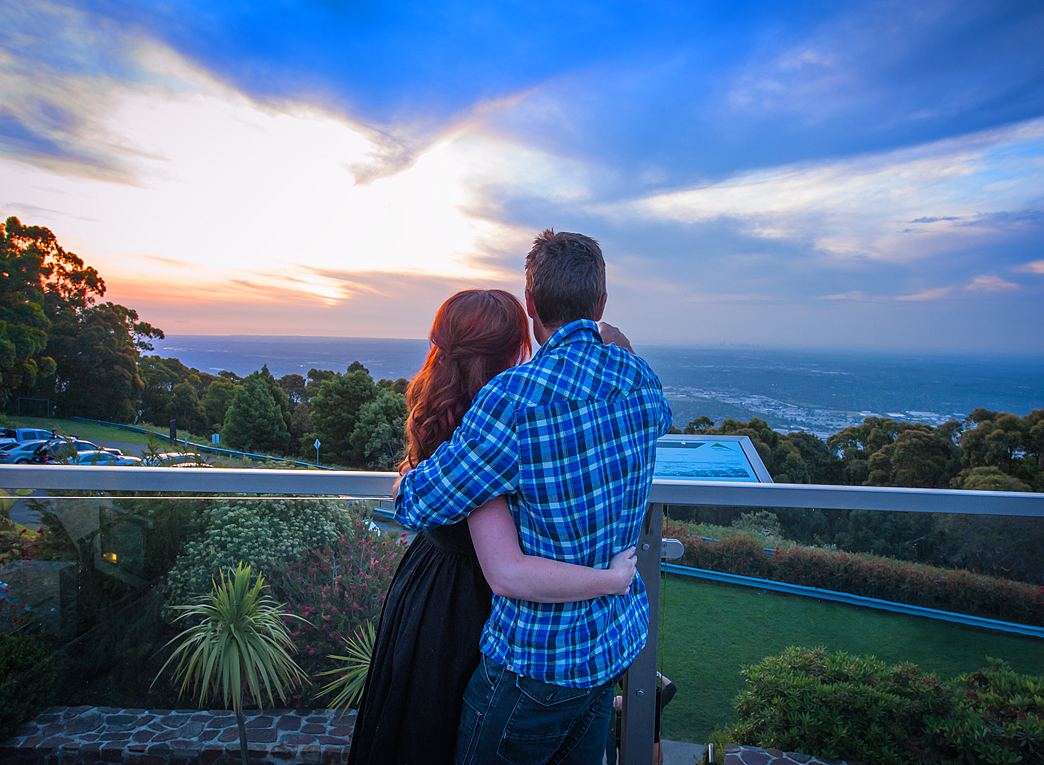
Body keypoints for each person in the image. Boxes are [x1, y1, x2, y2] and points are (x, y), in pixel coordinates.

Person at [395, 230, 673, 765]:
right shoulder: (638, 380)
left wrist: (404, 477)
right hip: (611, 647)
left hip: (534, 664)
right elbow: (660, 419)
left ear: (530, 304)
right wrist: (621, 345)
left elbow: (419, 504)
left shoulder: (513, 399)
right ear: (601, 304)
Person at [347, 289, 640, 765]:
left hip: (429, 588)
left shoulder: (446, 412)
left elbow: (411, 489)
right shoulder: (491, 435)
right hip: (469, 609)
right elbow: (506, 570)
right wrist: (611, 579)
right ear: (512, 351)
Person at [606, 672, 678, 765]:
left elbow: (621, 680)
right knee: (657, 761)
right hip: (653, 737)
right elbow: (672, 687)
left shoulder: (633, 695)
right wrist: (659, 675)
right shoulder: (657, 698)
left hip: (635, 734)